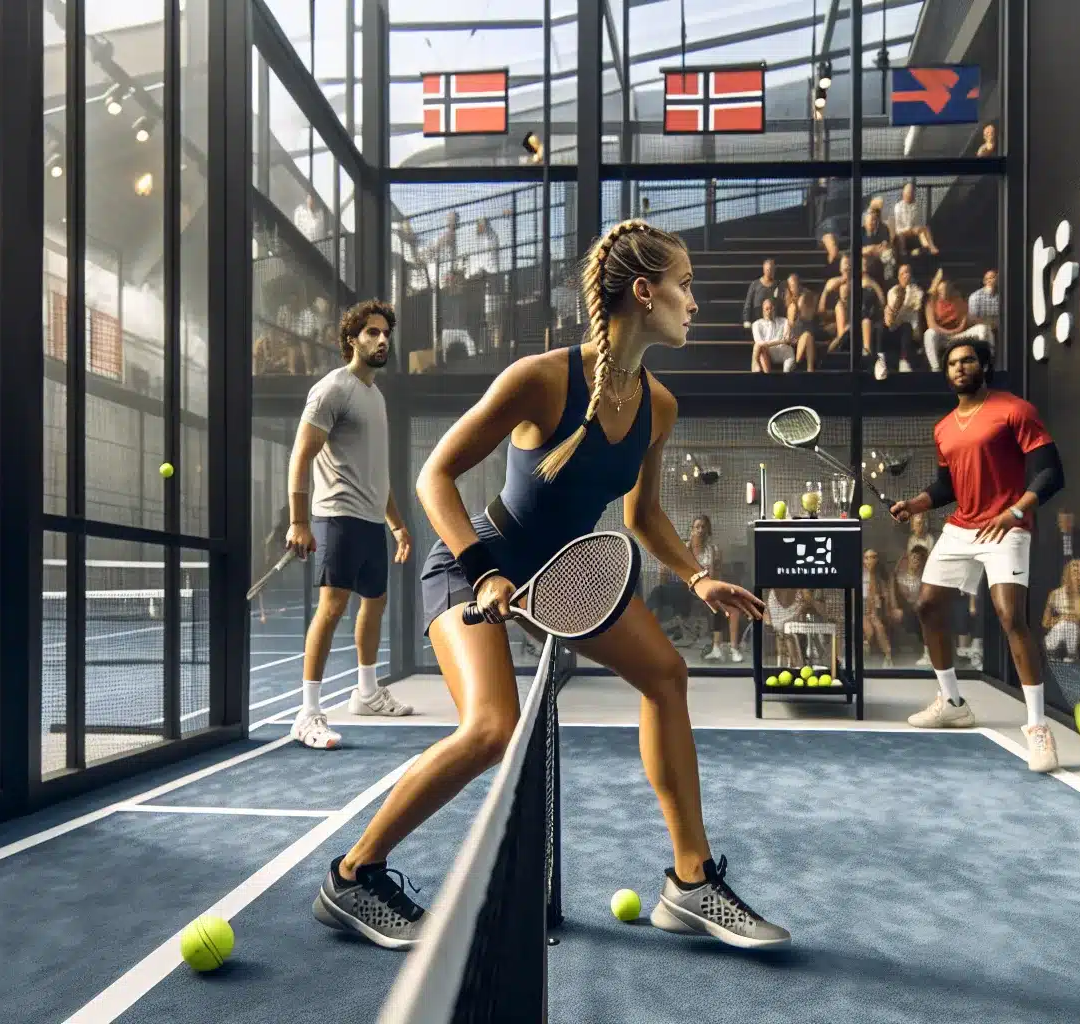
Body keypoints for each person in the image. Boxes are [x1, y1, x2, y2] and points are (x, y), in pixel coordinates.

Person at [314, 219, 789, 951]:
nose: (696, 302)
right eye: (686, 285)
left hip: (566, 578)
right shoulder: (542, 379)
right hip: (473, 567)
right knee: (491, 730)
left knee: (666, 674)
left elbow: (644, 514)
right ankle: (352, 874)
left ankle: (691, 883)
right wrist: (485, 571)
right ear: (644, 291)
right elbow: (433, 475)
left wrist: (696, 576)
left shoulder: (659, 406)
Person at [888, 339, 1067, 772]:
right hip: (962, 527)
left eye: (968, 359)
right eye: (952, 363)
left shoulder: (1014, 410)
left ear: (984, 364)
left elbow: (1050, 472)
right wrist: (915, 505)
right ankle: (951, 702)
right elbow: (949, 487)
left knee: (1010, 617)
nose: (960, 367)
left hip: (1007, 526)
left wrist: (1015, 511)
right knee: (928, 605)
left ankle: (1039, 728)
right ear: (946, 372)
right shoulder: (945, 427)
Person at [285, 300, 417, 751]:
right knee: (333, 607)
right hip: (335, 516)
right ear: (352, 340)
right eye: (372, 333)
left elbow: (377, 474)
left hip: (368, 521)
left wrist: (397, 525)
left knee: (375, 603)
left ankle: (365, 692)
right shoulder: (331, 390)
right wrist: (299, 520)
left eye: (385, 334)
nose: (382, 340)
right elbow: (300, 455)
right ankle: (307, 713)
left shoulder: (375, 397)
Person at [689, 514, 744, 663]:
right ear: (692, 530)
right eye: (697, 527)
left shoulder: (713, 549)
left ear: (708, 531)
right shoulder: (686, 548)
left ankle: (732, 648)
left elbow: (714, 576)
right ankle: (717, 648)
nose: (700, 530)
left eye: (703, 527)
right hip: (690, 589)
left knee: (733, 608)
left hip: (709, 588)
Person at [750, 297, 793, 373]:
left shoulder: (784, 321)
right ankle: (765, 373)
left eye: (771, 308)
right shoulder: (756, 324)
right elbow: (760, 343)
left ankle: (754, 364)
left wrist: (784, 340)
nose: (769, 311)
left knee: (760, 348)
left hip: (782, 352)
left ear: (774, 309)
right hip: (767, 353)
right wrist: (781, 341)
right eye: (767, 309)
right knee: (760, 348)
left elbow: (787, 339)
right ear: (763, 310)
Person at [740, 259, 782, 327]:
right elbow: (748, 303)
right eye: (768, 270)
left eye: (772, 270)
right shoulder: (755, 284)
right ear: (764, 270)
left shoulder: (778, 284)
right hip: (757, 321)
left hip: (772, 321)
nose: (770, 272)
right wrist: (746, 319)